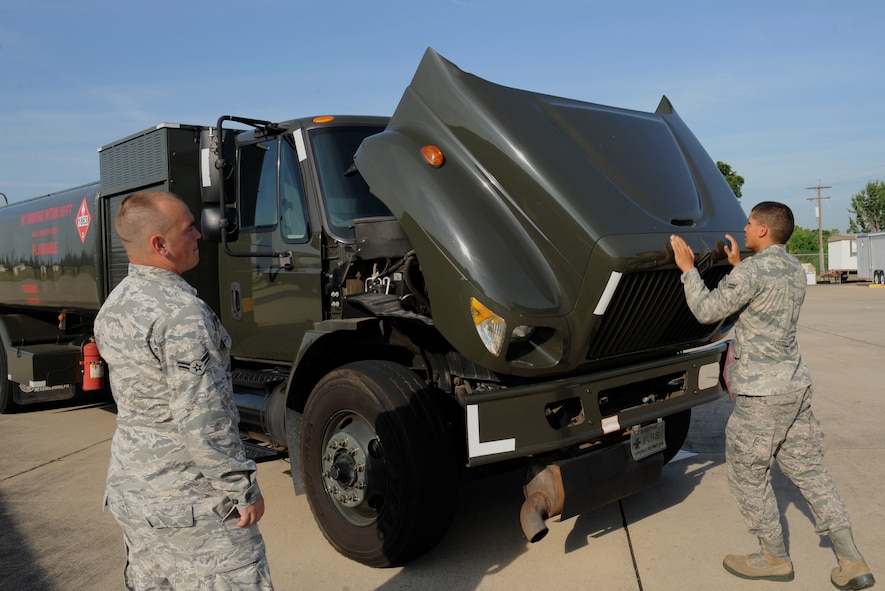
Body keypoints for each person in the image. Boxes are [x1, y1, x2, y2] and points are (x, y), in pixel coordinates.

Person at [670, 201, 875, 590]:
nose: (744, 230)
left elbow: (706, 310)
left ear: (763, 230)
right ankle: (851, 559)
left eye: (749, 224)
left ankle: (773, 558)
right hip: (795, 386)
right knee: (811, 472)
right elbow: (763, 296)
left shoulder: (753, 271)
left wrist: (688, 271)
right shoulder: (794, 269)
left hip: (762, 394)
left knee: (748, 471)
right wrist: (737, 266)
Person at [95, 191, 274, 590]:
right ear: (160, 245)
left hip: (133, 493)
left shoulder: (115, 305)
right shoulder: (182, 314)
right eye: (188, 228)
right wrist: (240, 488)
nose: (199, 235)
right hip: (190, 503)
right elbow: (203, 419)